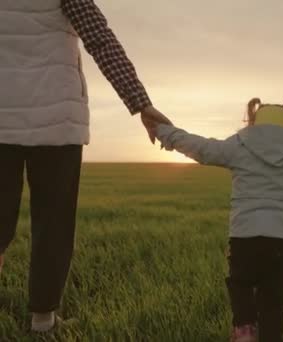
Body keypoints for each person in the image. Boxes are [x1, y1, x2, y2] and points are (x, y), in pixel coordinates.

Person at [0, 0, 170, 332]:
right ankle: (43, 321)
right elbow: (100, 40)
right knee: (53, 224)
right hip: (58, 124)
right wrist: (140, 103)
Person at [153, 98, 283, 342]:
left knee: (241, 284)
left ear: (254, 120)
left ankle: (245, 330)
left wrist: (164, 132)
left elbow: (202, 148)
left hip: (244, 236)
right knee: (275, 300)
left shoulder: (239, 144)